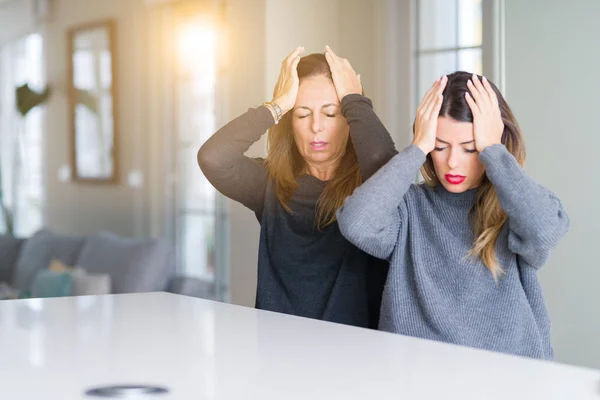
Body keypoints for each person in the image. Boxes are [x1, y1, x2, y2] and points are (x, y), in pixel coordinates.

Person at [336, 71, 569, 358]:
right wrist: (417, 148)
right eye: (440, 146)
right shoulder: (410, 208)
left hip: (508, 378)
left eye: (471, 149)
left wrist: (494, 151)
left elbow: (546, 229)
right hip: (417, 376)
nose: (452, 162)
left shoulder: (514, 209)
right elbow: (356, 222)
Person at [197, 46, 396, 328]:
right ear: (289, 122)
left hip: (355, 358)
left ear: (351, 119)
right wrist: (276, 105)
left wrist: (356, 100)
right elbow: (212, 158)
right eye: (302, 114)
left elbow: (386, 167)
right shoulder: (269, 184)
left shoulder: (371, 186)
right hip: (279, 354)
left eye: (331, 113)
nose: (316, 126)